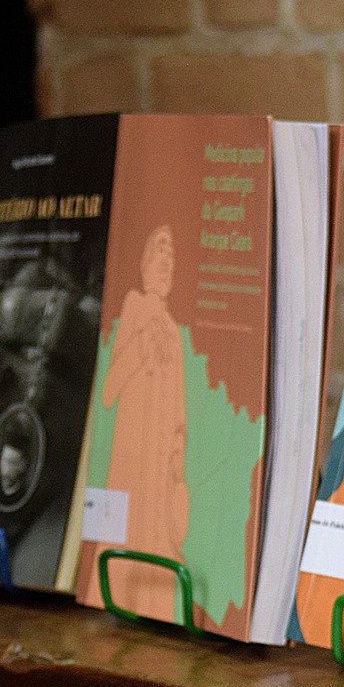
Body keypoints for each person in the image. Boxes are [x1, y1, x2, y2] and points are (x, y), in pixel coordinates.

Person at [99, 225, 191, 621]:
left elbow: (180, 398)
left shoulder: (174, 331)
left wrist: (179, 448)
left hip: (163, 453)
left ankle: (158, 608)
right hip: (135, 448)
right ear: (144, 265)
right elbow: (110, 389)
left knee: (163, 529)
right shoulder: (134, 306)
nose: (165, 265)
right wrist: (141, 342)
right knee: (132, 524)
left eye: (171, 259)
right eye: (159, 255)